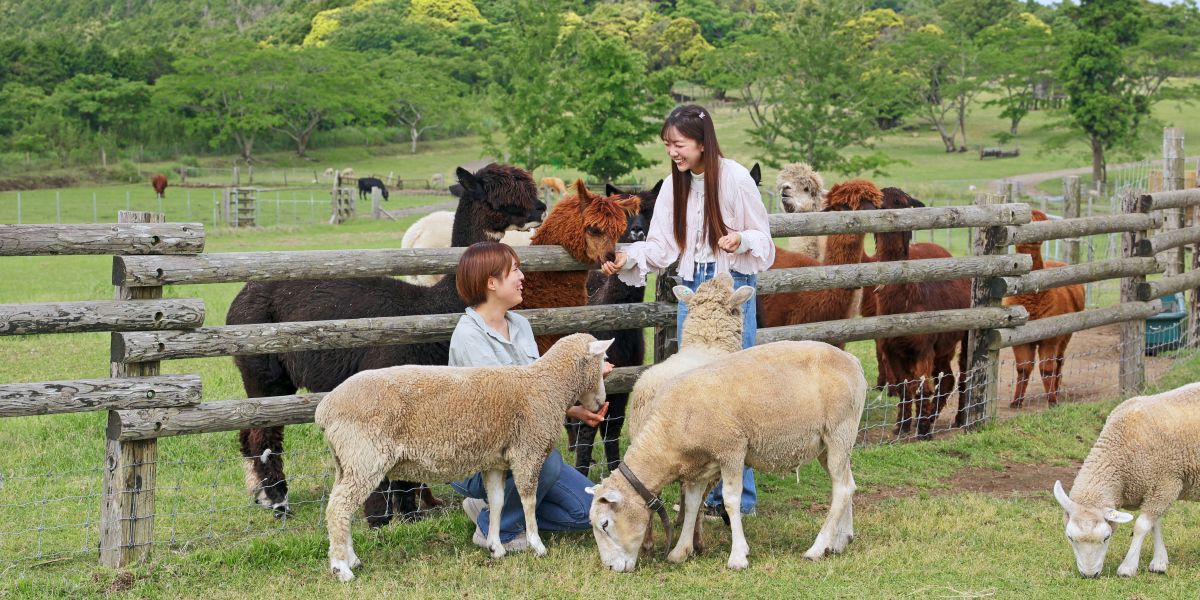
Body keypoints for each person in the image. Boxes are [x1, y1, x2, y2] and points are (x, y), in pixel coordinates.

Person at [600, 104, 774, 517]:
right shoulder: (672, 185)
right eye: (668, 145)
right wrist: (627, 257)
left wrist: (741, 240)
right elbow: (663, 246)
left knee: (734, 386)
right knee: (692, 381)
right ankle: (695, 490)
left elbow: (763, 240)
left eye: (678, 144)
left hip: (730, 285)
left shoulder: (734, 179)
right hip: (693, 290)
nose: (673, 153)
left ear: (701, 141)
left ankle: (736, 497)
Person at [449, 241, 613, 551]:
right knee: (545, 461)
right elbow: (506, 408)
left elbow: (537, 397)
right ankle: (495, 529)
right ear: (491, 282)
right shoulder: (469, 337)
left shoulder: (520, 325)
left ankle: (492, 509)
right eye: (515, 271)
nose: (523, 276)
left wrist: (577, 403)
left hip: (522, 447)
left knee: (585, 511)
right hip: (480, 455)